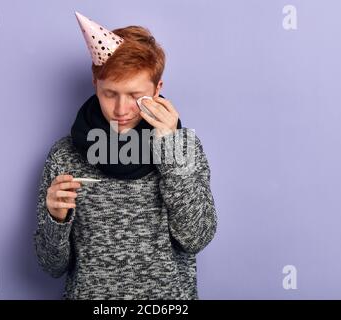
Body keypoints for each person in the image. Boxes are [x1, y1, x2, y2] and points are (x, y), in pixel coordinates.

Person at [33, 12, 217, 299]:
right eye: (110, 94)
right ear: (95, 85)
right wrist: (55, 220)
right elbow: (51, 266)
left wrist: (169, 149)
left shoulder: (184, 148)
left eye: (134, 95)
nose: (121, 110)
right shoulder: (64, 155)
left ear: (158, 90)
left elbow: (196, 238)